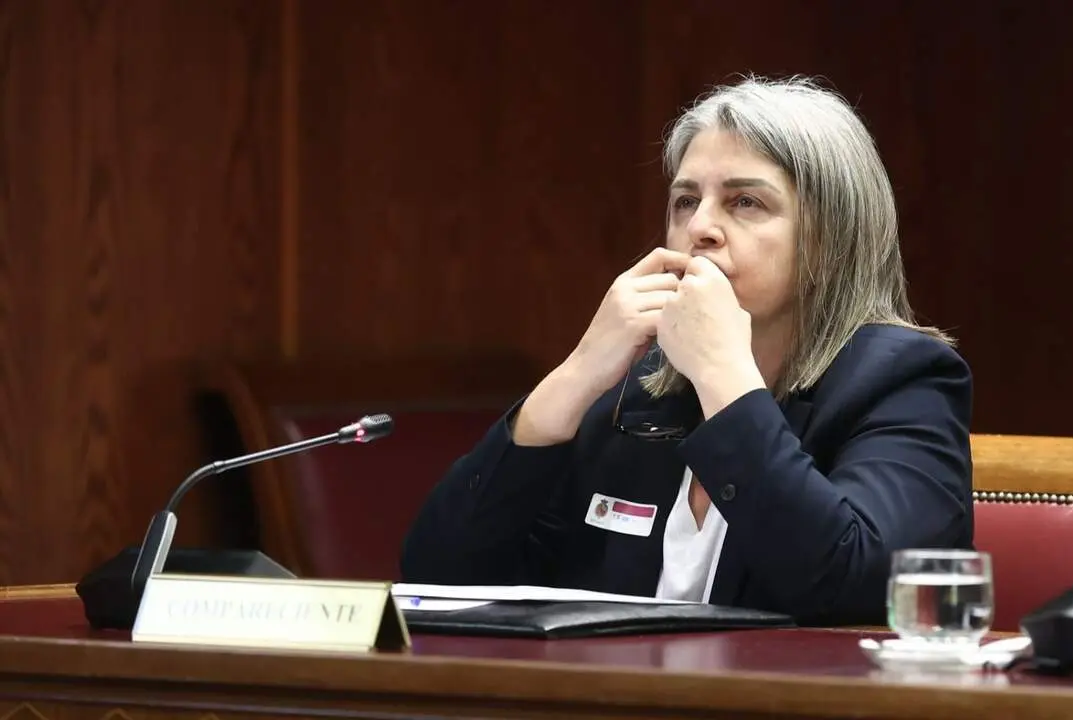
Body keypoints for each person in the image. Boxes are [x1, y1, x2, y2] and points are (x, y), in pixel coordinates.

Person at [400, 75, 973, 626]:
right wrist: (574, 377)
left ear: (830, 242)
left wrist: (723, 374)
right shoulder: (641, 394)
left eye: (745, 202)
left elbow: (851, 586)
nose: (700, 227)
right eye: (684, 201)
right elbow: (438, 578)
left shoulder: (901, 383)